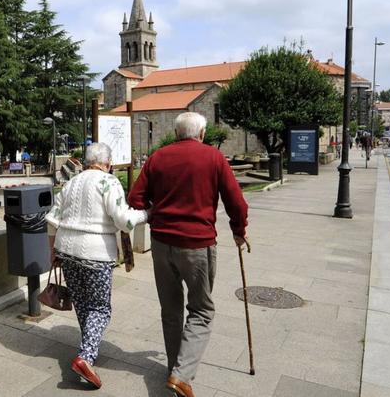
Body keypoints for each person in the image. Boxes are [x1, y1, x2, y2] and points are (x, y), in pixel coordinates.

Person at [128, 112, 248, 397]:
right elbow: (237, 202)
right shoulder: (213, 157)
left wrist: (158, 213)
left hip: (161, 244)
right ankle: (181, 375)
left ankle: (175, 369)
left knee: (170, 310)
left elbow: (135, 199)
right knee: (202, 310)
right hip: (197, 245)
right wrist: (238, 230)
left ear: (177, 133)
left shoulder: (157, 157)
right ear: (202, 134)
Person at [45, 142, 147, 389]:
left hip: (67, 250)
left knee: (81, 302)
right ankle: (85, 357)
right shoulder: (108, 181)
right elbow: (124, 220)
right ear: (108, 162)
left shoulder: (70, 183)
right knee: (100, 308)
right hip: (96, 254)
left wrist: (53, 251)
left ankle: (87, 348)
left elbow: (51, 221)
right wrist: (146, 215)